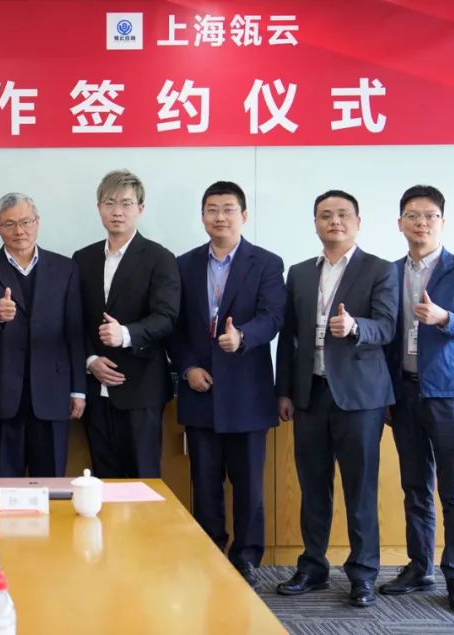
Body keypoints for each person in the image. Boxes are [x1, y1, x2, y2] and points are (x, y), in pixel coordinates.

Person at [275, 190, 398, 608]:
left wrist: (356, 326)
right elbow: (288, 338)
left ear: (358, 222)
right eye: (325, 215)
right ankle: (313, 566)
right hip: (310, 394)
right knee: (313, 487)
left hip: (360, 398)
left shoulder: (379, 269)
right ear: (315, 224)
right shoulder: (300, 273)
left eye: (343, 214)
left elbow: (387, 326)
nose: (335, 221)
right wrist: (285, 391)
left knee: (360, 489)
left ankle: (363, 573)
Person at [170, 181, 285, 585]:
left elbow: (274, 317)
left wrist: (244, 336)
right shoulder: (183, 265)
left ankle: (247, 558)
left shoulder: (266, 263)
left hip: (247, 393)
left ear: (244, 215)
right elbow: (174, 327)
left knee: (249, 485)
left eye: (228, 209)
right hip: (200, 390)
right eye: (212, 209)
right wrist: (187, 367)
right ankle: (209, 554)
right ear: (203, 216)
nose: (220, 217)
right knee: (205, 484)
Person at [380, 185, 454, 612]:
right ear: (400, 223)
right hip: (404, 392)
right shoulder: (389, 273)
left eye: (429, 216)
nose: (421, 223)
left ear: (442, 222)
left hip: (450, 395)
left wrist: (444, 318)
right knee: (414, 487)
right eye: (412, 215)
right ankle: (419, 566)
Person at [0, 192, 86, 477]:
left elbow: (74, 331)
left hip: (53, 392)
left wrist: (78, 389)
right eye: (9, 224)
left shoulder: (65, 268)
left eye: (26, 222)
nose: (19, 231)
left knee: (51, 483)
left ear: (37, 222)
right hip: (0, 392)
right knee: (4, 484)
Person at [72, 169, 179, 478]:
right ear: (99, 208)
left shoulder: (160, 258)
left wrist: (126, 334)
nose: (117, 211)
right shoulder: (82, 259)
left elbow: (167, 317)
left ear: (140, 209)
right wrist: (89, 360)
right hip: (95, 389)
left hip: (141, 388)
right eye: (109, 203)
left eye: (126, 203)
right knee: (103, 482)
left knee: (143, 480)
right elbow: (74, 320)